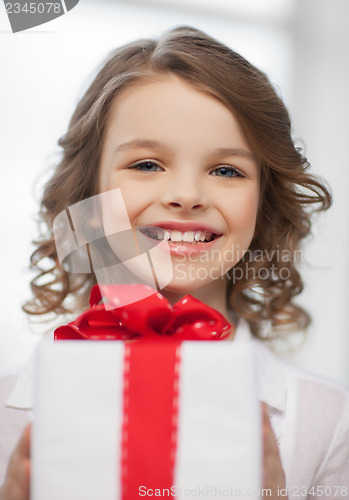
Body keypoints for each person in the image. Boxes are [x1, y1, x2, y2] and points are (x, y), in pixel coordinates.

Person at [1, 26, 348, 500]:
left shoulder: (327, 420)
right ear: (89, 199)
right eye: (146, 164)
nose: (185, 196)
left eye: (227, 170)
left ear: (264, 205)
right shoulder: (7, 412)